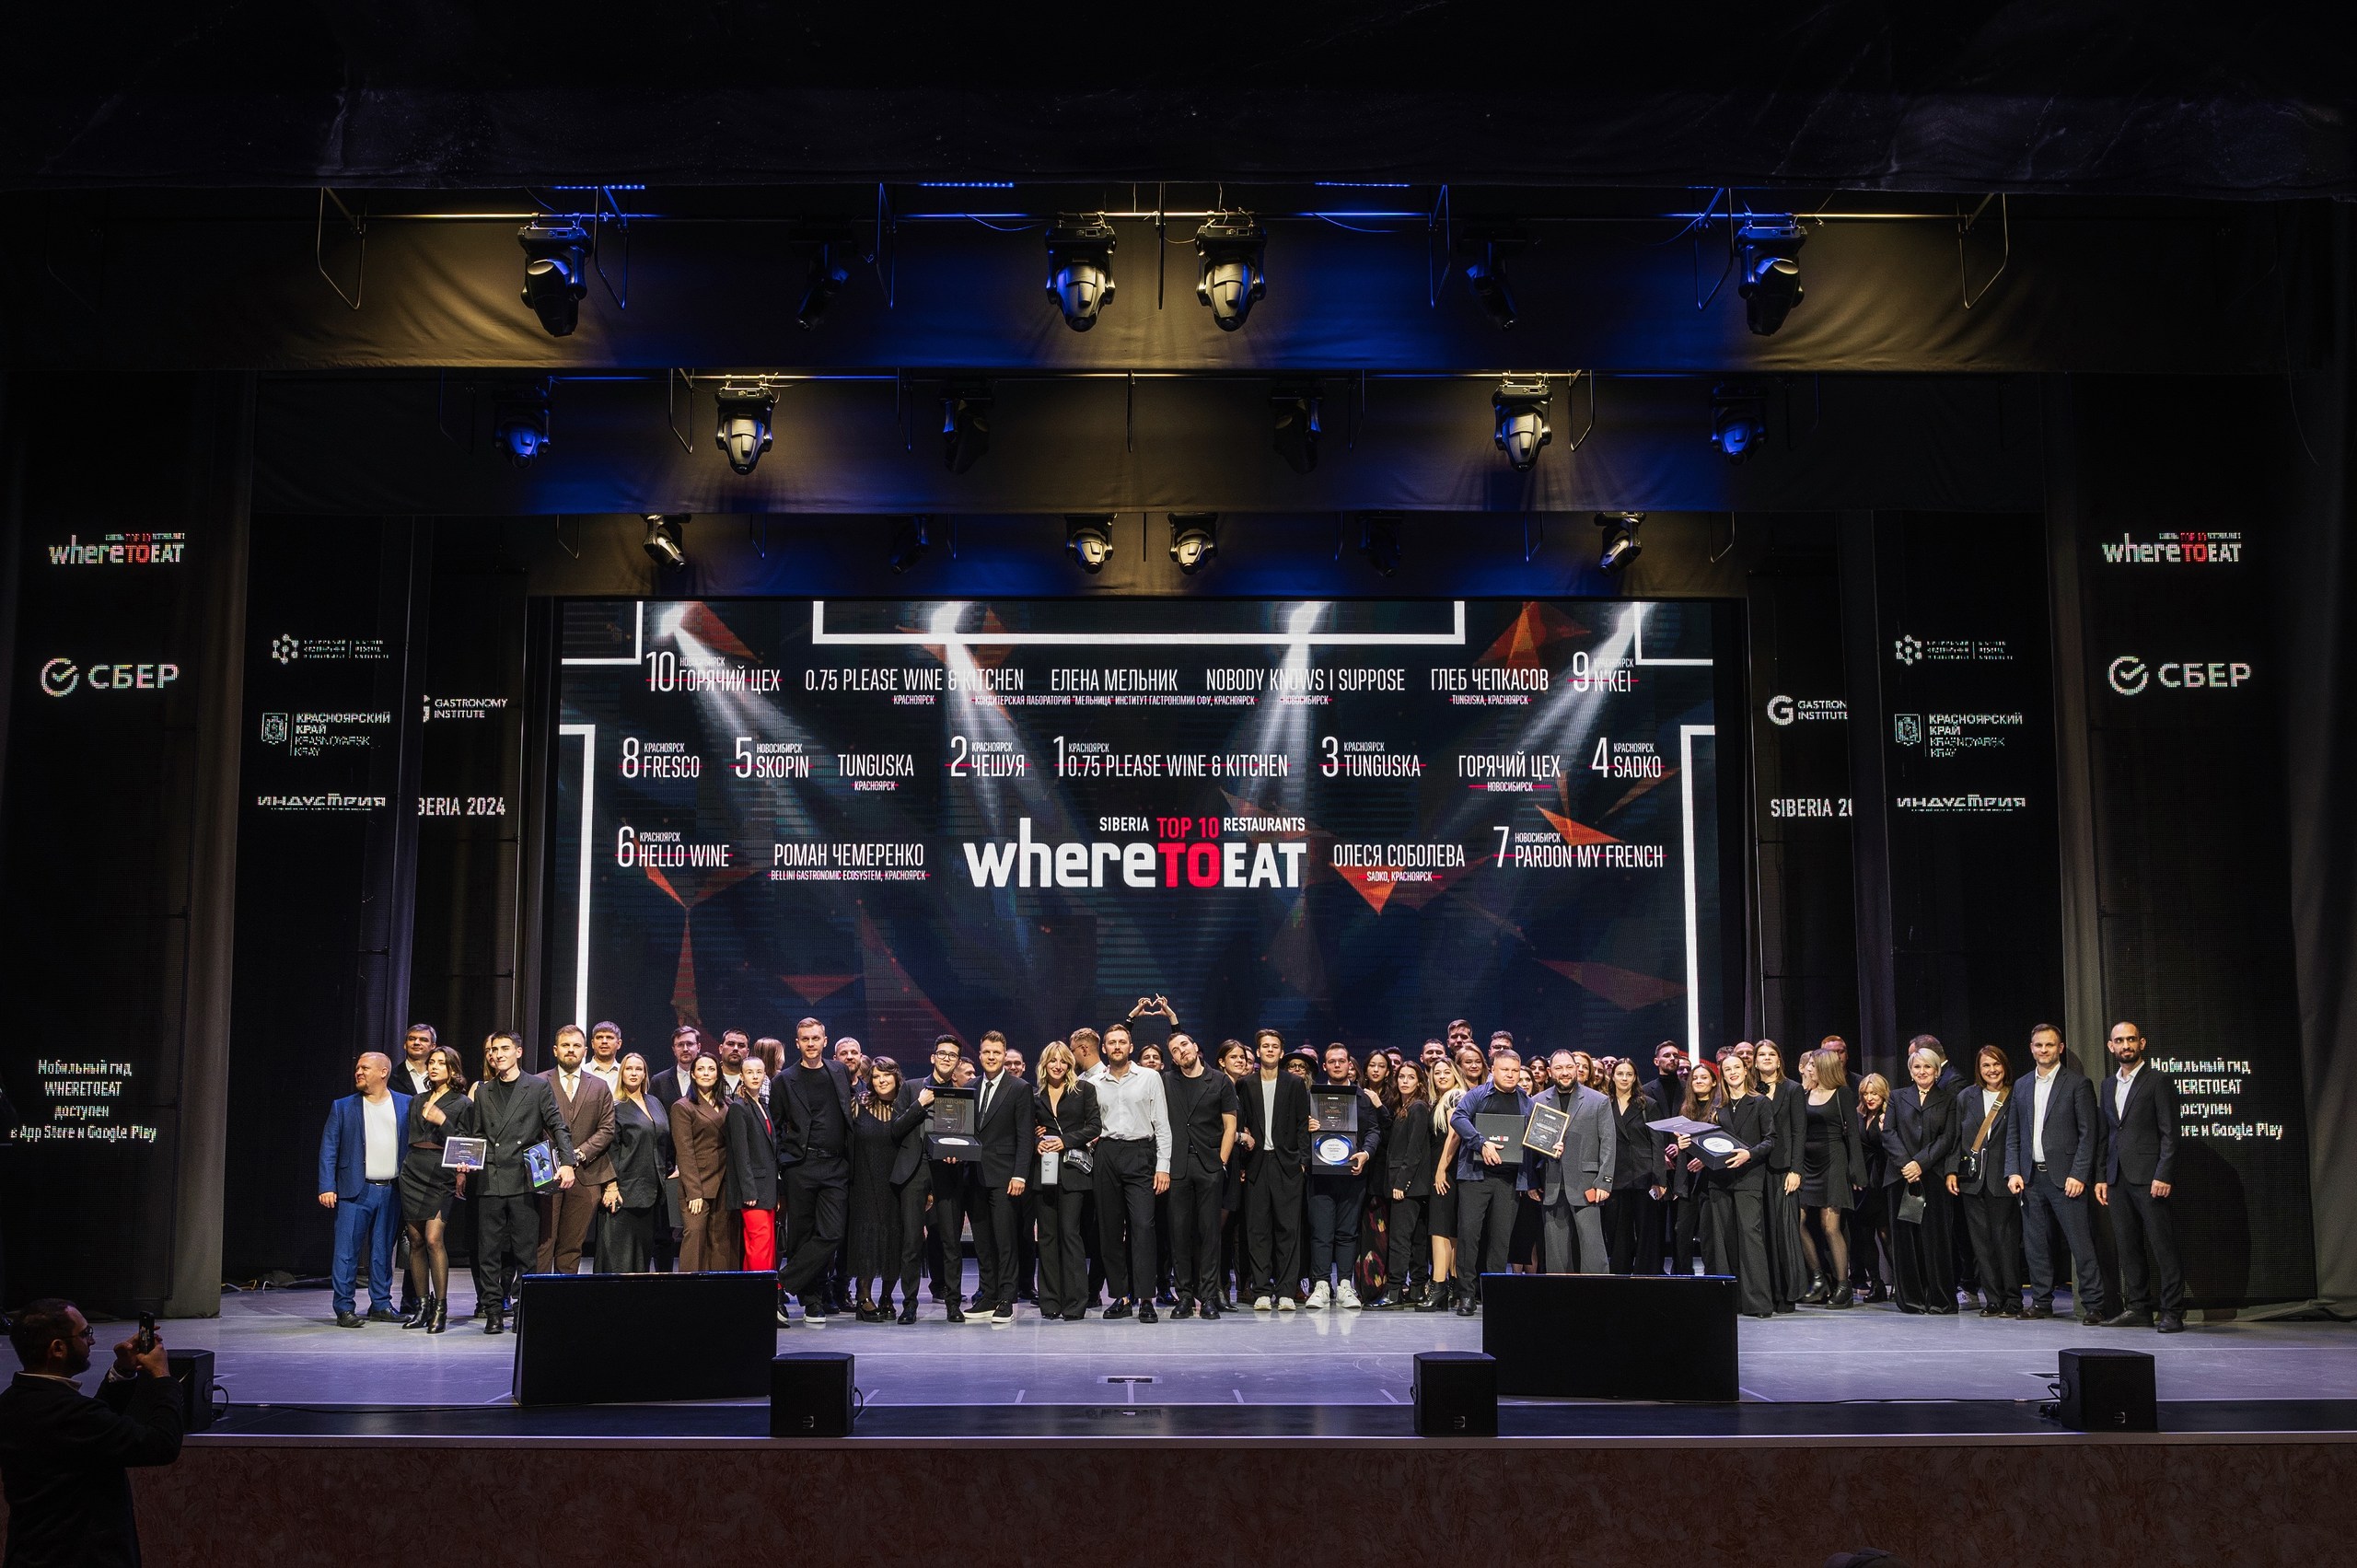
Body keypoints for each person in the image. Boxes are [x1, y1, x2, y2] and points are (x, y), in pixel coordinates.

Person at [0, 1299, 183, 1568]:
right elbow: (162, 1444)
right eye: (85, 1333)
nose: (93, 1341)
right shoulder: (72, 1414)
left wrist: (123, 1371)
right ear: (58, 1348)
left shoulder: (12, 1401)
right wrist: (162, 1376)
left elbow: (89, 1438)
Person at [469, 1031, 577, 1330]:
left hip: (524, 1177)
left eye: (505, 1048)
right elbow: (478, 1134)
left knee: (526, 1252)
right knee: (488, 1251)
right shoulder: (483, 1092)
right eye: (494, 1049)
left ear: (519, 1051)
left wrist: (568, 1162)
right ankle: (493, 1310)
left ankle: (522, 1310)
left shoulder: (537, 1086)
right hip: (490, 1178)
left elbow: (558, 1126)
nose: (498, 1054)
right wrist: (466, 1161)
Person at [2005, 1023, 2110, 1324]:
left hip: (2066, 1179)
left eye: (2049, 1045)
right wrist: (2013, 1171)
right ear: (2031, 1048)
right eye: (2039, 1045)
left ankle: (2093, 1305)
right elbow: (2014, 1133)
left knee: (2080, 1243)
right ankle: (2041, 1302)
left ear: (2060, 1048)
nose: (2044, 1050)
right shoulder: (2022, 1085)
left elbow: (2088, 1134)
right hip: (2030, 1178)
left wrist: (2079, 1174)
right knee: (2036, 1245)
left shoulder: (2077, 1084)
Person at [2097, 1020, 2186, 1332]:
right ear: (2111, 1046)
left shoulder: (2158, 1081)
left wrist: (2163, 1174)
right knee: (2128, 1246)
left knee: (2163, 1246)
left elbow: (2170, 1133)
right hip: (2117, 1177)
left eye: (2131, 1040)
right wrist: (2102, 1176)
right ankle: (2138, 1308)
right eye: (2120, 1041)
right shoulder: (2108, 1085)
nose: (2126, 1045)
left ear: (2142, 1043)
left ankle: (2173, 1311)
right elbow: (2107, 1134)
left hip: (2150, 1178)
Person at [316, 1050, 411, 1327]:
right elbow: (329, 1148)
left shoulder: (405, 1104)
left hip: (391, 1190)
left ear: (383, 1072)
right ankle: (344, 1307)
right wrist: (326, 1185)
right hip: (355, 1191)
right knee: (347, 1252)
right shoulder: (343, 1106)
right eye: (358, 1068)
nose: (358, 1072)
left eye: (365, 1068)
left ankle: (381, 1304)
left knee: (383, 1252)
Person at [1680, 1051, 1774, 1318]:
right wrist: (1687, 1145)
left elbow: (1771, 1140)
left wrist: (1749, 1154)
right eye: (1727, 1069)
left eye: (1737, 1068)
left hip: (1748, 1177)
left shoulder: (1760, 1102)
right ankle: (1728, 1302)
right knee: (1723, 1241)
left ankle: (1758, 1303)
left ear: (1745, 1071)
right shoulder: (1716, 1106)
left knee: (1750, 1238)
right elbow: (1707, 1142)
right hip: (1718, 1180)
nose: (1732, 1072)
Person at [775, 1016, 857, 1323]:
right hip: (801, 1166)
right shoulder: (785, 1080)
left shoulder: (839, 1071)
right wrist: (785, 1161)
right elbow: (776, 1125)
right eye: (805, 1039)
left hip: (836, 1165)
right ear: (797, 1043)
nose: (811, 1044)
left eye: (815, 1038)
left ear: (825, 1041)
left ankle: (780, 1282)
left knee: (832, 1233)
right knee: (801, 1235)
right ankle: (811, 1301)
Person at [1092, 1022, 1171, 1321]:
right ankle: (1121, 1296)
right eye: (1111, 1042)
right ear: (1104, 1048)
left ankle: (1146, 1298)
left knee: (1143, 1227)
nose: (1117, 1046)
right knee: (1110, 1229)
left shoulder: (1149, 1077)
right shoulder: (1095, 1082)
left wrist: (1163, 1166)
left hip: (1141, 1153)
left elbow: (1162, 1124)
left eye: (1122, 1041)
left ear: (1130, 1046)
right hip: (1107, 1153)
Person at [847, 1056, 934, 1322]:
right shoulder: (858, 1103)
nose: (881, 1080)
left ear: (897, 1077)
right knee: (867, 1238)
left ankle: (887, 1296)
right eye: (876, 1076)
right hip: (864, 1181)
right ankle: (863, 1297)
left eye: (886, 1075)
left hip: (899, 1181)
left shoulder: (907, 1105)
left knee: (895, 1238)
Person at [1448, 1048, 1533, 1315]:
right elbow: (1458, 1118)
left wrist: (1551, 1147)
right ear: (1493, 1070)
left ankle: (1494, 1295)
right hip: (1476, 1176)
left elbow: (1535, 1136)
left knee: (1500, 1240)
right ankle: (1466, 1295)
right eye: (1504, 1069)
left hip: (1509, 1180)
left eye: (1515, 1070)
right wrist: (1481, 1143)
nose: (1510, 1075)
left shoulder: (1526, 1101)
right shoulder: (1477, 1095)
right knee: (1469, 1236)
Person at [1159, 1031, 1237, 1318]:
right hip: (1177, 1165)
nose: (1181, 1051)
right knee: (1179, 1233)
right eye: (1175, 1049)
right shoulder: (1166, 1081)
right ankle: (1184, 1295)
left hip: (1209, 1164)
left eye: (1184, 1045)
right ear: (1172, 1057)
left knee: (1209, 1234)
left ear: (1195, 1047)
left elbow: (1230, 1126)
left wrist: (1222, 1162)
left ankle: (1208, 1297)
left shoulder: (1219, 1081)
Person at [397, 1043, 475, 1332]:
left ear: (453, 1069)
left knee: (433, 1239)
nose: (434, 1067)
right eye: (431, 1062)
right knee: (415, 1241)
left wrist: (443, 1121)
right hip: (413, 1169)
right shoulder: (417, 1100)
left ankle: (440, 1307)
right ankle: (422, 1306)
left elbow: (465, 1143)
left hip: (440, 1172)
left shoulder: (462, 1103)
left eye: (441, 1063)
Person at [1236, 1028, 1310, 1312]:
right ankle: (1262, 1290)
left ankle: (1287, 1290)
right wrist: (1243, 1163)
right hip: (1256, 1163)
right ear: (1257, 1052)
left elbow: (1302, 1124)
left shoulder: (1294, 1083)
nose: (1269, 1050)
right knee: (1258, 1230)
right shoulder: (1246, 1084)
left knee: (1288, 1229)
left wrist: (1302, 1161)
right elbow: (1240, 1124)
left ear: (1281, 1051)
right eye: (1265, 1046)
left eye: (1274, 1046)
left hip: (1287, 1164)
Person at [963, 1030, 1033, 1322]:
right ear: (979, 1054)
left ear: (1004, 1056)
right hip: (973, 1176)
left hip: (1005, 1177)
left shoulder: (1019, 1088)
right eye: (987, 1052)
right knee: (982, 1242)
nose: (991, 1057)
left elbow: (1025, 1136)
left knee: (1005, 1241)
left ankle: (1006, 1298)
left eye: (996, 1052)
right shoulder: (969, 1087)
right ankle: (988, 1295)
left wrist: (1020, 1175)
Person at [538, 1024, 619, 1275]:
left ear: (585, 1050)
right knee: (543, 1243)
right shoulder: (538, 1082)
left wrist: (576, 1155)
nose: (571, 1050)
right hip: (546, 1174)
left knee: (572, 1245)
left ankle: (564, 1295)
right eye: (565, 1045)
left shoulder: (599, 1086)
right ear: (555, 1050)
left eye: (576, 1045)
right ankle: (537, 1295)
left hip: (586, 1174)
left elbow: (607, 1129)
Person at [1948, 1044, 2023, 1318]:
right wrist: (1951, 1171)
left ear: (2005, 1066)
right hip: (1972, 1180)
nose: (1992, 1070)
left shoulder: (2017, 1095)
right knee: (1981, 1243)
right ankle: (1993, 1299)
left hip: (2003, 1178)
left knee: (2006, 1241)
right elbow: (1956, 1138)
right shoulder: (1966, 1097)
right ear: (1978, 1070)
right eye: (1986, 1066)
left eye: (1996, 1064)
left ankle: (2013, 1299)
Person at [1031, 1041, 1102, 1320]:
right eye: (1053, 1061)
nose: (1058, 1066)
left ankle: (1075, 1302)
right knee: (1047, 1237)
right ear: (1045, 1064)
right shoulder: (1035, 1095)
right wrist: (1037, 1140)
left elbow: (1094, 1127)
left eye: (1063, 1061)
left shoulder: (1084, 1090)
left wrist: (1064, 1141)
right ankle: (1050, 1301)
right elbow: (1026, 1129)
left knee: (1070, 1234)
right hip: (1044, 1172)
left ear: (1070, 1064)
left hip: (1074, 1172)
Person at [1886, 1047, 1958, 1314]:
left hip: (1933, 1176)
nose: (1922, 1072)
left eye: (1928, 1067)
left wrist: (1920, 1163)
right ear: (1910, 1071)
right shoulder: (1897, 1097)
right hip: (1901, 1177)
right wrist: (1907, 1164)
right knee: (1906, 1240)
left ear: (1937, 1071)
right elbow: (1889, 1133)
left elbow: (1948, 1138)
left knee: (1936, 1239)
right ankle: (1911, 1299)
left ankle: (1940, 1299)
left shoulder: (1949, 1099)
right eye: (1917, 1067)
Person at [1531, 1049, 1615, 1274]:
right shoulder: (1537, 1101)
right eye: (1559, 1068)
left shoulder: (1598, 1101)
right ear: (1550, 1072)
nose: (1565, 1072)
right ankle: (1560, 1294)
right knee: (1556, 1253)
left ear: (1576, 1069)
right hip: (1551, 1183)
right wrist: (1532, 1180)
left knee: (1593, 1250)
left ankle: (1598, 1293)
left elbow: (1608, 1144)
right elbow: (1531, 1146)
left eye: (1569, 1067)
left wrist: (1604, 1181)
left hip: (1587, 1183)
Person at [1306, 1043, 1376, 1308]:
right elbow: (1295, 1132)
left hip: (1352, 1174)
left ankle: (1345, 1285)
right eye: (1332, 1061)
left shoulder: (1362, 1097)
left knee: (1347, 1233)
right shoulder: (1312, 1096)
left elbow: (1373, 1131)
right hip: (1320, 1175)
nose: (1337, 1065)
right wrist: (1306, 1126)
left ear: (1349, 1064)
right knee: (1321, 1233)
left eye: (1342, 1061)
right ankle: (1322, 1285)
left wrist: (1366, 1153)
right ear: (1324, 1066)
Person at [1795, 1048, 1864, 1307]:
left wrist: (1857, 1171)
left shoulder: (1842, 1093)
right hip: (1807, 1164)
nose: (1808, 1068)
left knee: (1830, 1227)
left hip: (1833, 1162)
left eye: (1813, 1065)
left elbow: (1853, 1134)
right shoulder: (1804, 1094)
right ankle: (1818, 1278)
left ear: (1825, 1067)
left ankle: (1844, 1286)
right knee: (1796, 1221)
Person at [1371, 1059, 1435, 1307]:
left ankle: (1394, 1291)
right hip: (1413, 1185)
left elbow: (1415, 1149)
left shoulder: (1418, 1107)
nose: (1404, 1081)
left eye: (1410, 1077)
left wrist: (1402, 1183)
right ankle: (1417, 1289)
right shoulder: (1404, 1107)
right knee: (1416, 1238)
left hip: (1408, 1185)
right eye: (1401, 1077)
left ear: (1419, 1082)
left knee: (1400, 1239)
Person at [1753, 1040, 1811, 1312]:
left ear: (1779, 1061)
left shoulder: (1793, 1089)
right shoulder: (1750, 1089)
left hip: (1784, 1169)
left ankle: (1787, 1294)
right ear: (1754, 1062)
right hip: (1756, 1168)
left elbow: (1800, 1132)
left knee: (1784, 1231)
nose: (1766, 1058)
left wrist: (1796, 1170)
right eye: (1761, 1054)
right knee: (1762, 1231)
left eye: (1771, 1054)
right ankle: (1766, 1292)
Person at [922, 1035, 976, 1321]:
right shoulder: (916, 1089)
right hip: (918, 1175)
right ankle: (909, 1301)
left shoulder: (964, 1096)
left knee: (951, 1241)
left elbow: (968, 1135)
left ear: (956, 1063)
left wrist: (959, 1153)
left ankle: (953, 1302)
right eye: (941, 1054)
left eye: (952, 1055)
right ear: (933, 1057)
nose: (946, 1059)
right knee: (914, 1241)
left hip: (950, 1174)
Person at [668, 1051, 737, 1272]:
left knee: (721, 1239)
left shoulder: (727, 1104)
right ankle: (689, 1287)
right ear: (693, 1074)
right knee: (695, 1235)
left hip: (725, 1180)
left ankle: (716, 1285)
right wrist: (694, 1192)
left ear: (718, 1074)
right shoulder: (683, 1106)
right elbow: (684, 1152)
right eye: (701, 1069)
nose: (706, 1073)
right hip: (698, 1181)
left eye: (711, 1069)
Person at [599, 1053, 667, 1272]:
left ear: (645, 1074)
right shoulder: (615, 1106)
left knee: (642, 1255)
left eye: (639, 1069)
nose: (634, 1073)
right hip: (624, 1191)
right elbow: (609, 1150)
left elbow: (662, 1141)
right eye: (629, 1069)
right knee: (620, 1255)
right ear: (622, 1073)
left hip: (651, 1191)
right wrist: (611, 1186)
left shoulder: (654, 1103)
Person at [1600, 1057, 1667, 1275]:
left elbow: (1657, 1143)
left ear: (1635, 1077)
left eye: (1629, 1074)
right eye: (1620, 1074)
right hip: (1615, 1176)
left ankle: (1647, 1277)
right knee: (1618, 1232)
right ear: (1612, 1076)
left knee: (1647, 1232)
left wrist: (1660, 1178)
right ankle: (1620, 1277)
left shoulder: (1648, 1104)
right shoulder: (1603, 1104)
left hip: (1644, 1175)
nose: (1624, 1078)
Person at [726, 1054, 780, 1272]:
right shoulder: (739, 1108)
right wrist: (748, 1191)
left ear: (765, 1075)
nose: (755, 1076)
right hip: (753, 1190)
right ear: (742, 1076)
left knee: (765, 1243)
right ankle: (761, 1288)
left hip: (767, 1188)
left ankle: (757, 1288)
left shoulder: (763, 1105)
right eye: (750, 1072)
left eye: (759, 1072)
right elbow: (741, 1154)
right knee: (758, 1243)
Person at [1422, 1058, 1467, 1310]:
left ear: (1455, 1074)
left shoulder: (1454, 1096)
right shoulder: (1441, 1099)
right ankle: (1452, 1288)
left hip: (1447, 1171)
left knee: (1439, 1230)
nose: (1441, 1076)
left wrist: (1441, 1170)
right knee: (1450, 1232)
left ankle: (1438, 1287)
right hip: (1449, 1170)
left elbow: (1455, 1134)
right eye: (1436, 1072)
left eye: (1446, 1071)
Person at [1852, 1073, 1895, 1303]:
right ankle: (1876, 1284)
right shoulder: (1859, 1114)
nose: (1870, 1098)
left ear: (1883, 1094)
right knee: (1864, 1235)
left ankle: (1901, 1283)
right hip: (1862, 1181)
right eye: (1866, 1093)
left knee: (1886, 1234)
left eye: (1874, 1093)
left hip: (1883, 1179)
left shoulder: (1889, 1115)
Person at [390, 1023, 437, 1096]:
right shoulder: (391, 1077)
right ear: (405, 1045)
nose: (416, 1043)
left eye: (423, 1040)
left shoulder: (442, 1076)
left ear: (433, 1046)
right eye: (412, 1039)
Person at [585, 1021, 625, 1089]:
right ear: (592, 1043)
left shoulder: (626, 1073)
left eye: (609, 1037)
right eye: (600, 1037)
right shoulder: (581, 1072)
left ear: (619, 1044)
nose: (604, 1041)